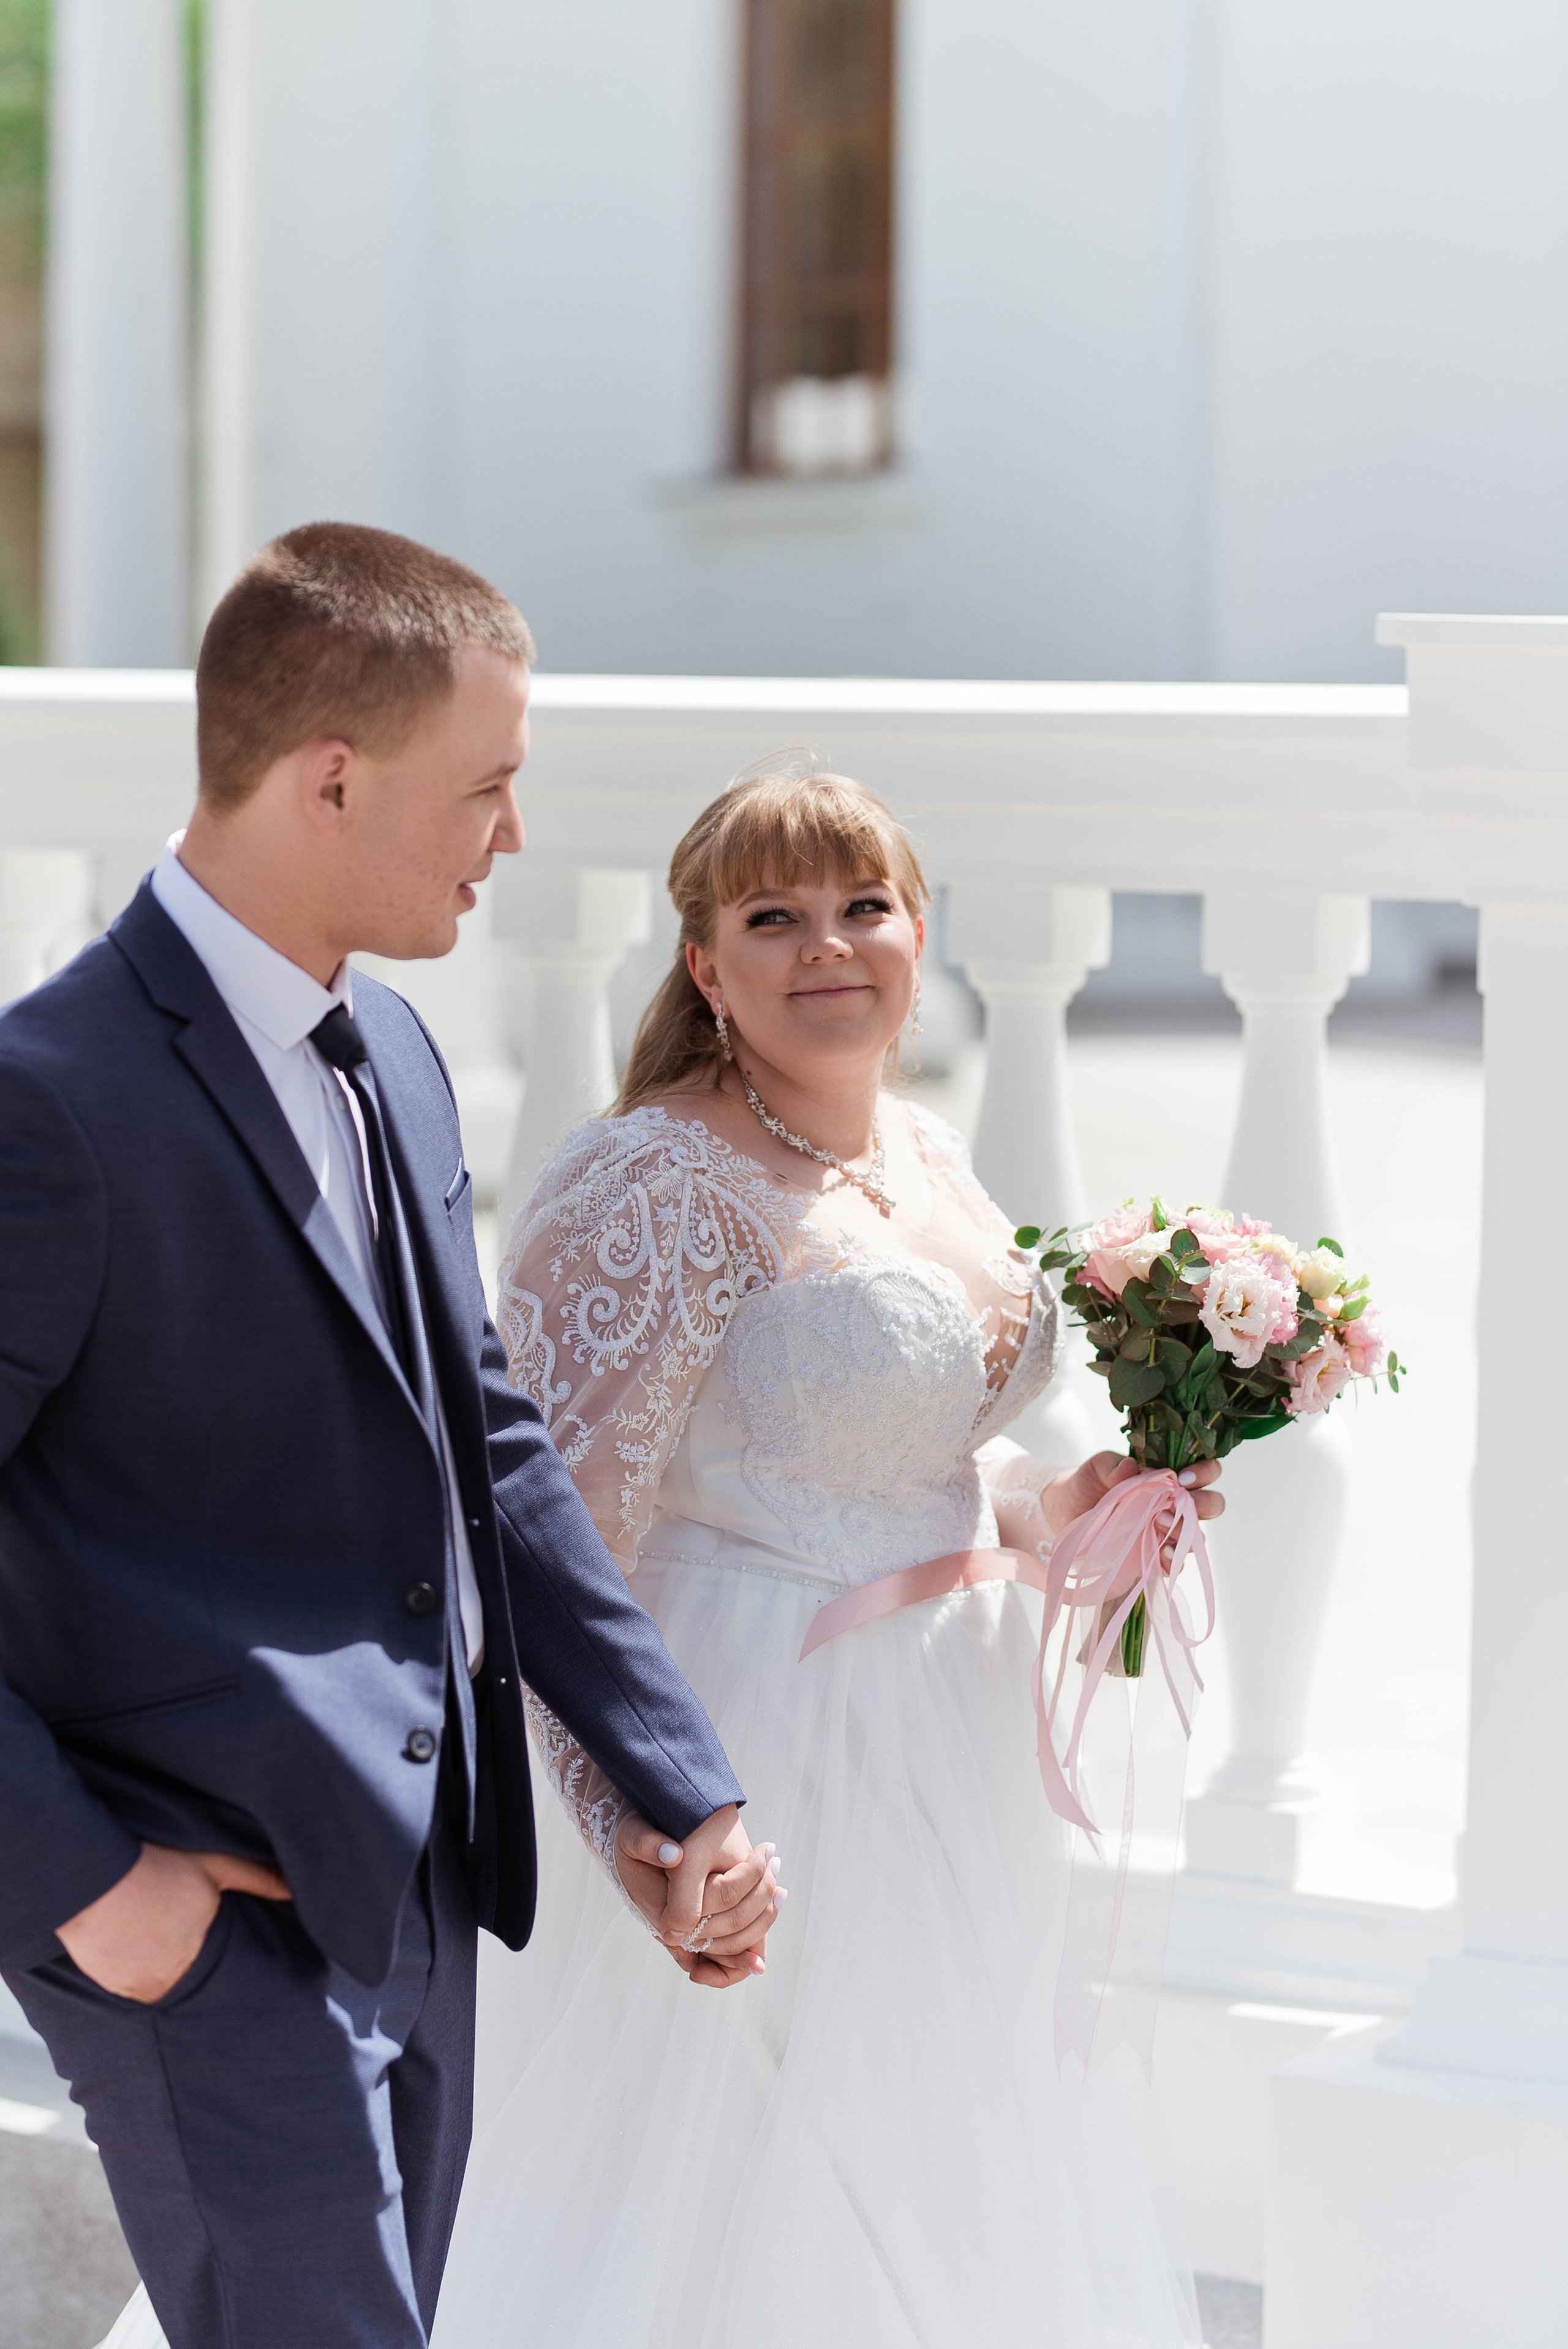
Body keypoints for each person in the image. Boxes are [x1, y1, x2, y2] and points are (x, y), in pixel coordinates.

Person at [0, 523, 778, 2349]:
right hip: (198, 1920)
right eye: (487, 787)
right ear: (331, 777)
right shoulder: (51, 1105)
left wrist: (681, 1779)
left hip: (422, 1892)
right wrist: (92, 1890)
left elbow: (484, 1444)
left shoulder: (402, 1053)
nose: (513, 835)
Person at [431, 766, 1224, 2349]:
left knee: (933, 2195)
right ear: (706, 968)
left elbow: (926, 1466)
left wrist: (1087, 1505)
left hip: (948, 1760)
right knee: (737, 2225)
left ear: (918, 933)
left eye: (864, 905)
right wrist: (655, 1830)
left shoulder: (921, 1155)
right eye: (773, 915)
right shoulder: (647, 1182)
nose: (829, 945)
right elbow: (542, 1546)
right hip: (759, 1755)